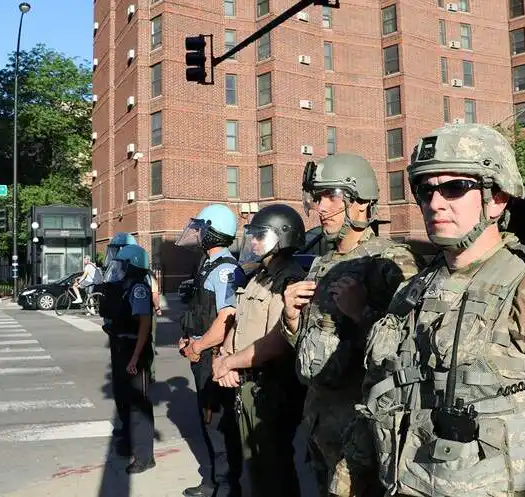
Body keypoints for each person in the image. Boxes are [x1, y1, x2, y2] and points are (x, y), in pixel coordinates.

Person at [355, 124, 525, 496]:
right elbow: (378, 400)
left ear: (497, 199)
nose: (435, 203)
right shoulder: (412, 291)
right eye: (425, 190)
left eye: (454, 188)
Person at [280, 154, 422, 497]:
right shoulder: (320, 264)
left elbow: (410, 349)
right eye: (317, 197)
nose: (320, 207)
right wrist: (290, 318)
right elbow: (309, 347)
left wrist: (361, 312)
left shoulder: (389, 261)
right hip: (318, 422)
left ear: (360, 202)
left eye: (331, 196)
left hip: (360, 433)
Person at [212, 204, 308, 497]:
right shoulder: (258, 275)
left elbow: (277, 341)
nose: (252, 242)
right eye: (251, 235)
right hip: (248, 383)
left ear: (283, 238)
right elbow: (238, 321)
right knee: (254, 464)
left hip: (272, 387)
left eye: (260, 236)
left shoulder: (289, 281)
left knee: (272, 467)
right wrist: (224, 357)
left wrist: (229, 363)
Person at [176, 204, 245, 497]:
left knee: (218, 423)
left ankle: (227, 485)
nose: (198, 232)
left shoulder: (226, 269)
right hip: (200, 352)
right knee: (208, 421)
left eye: (202, 227)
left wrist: (199, 345)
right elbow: (200, 312)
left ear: (214, 231)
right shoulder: (208, 265)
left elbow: (226, 318)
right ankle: (214, 481)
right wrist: (187, 340)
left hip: (214, 357)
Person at [102, 243, 157, 474]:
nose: (120, 268)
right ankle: (128, 442)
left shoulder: (139, 288)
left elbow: (144, 324)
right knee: (123, 398)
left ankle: (144, 456)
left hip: (134, 349)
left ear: (133, 265)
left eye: (124, 264)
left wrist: (135, 357)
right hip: (121, 346)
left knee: (138, 405)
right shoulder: (125, 286)